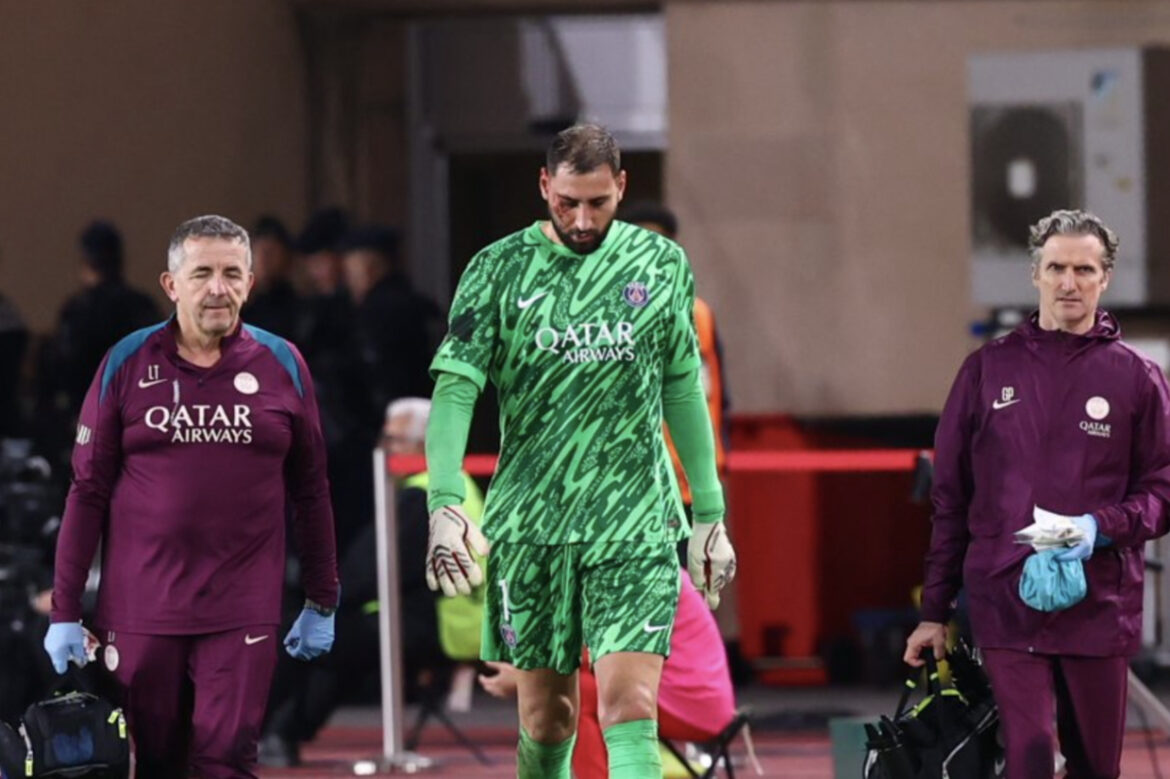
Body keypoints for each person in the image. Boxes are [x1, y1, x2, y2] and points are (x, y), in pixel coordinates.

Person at [424, 123, 736, 779]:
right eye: (568, 202)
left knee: (630, 705)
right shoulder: (497, 269)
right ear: (545, 186)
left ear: (621, 185)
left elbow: (682, 386)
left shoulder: (660, 265)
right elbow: (456, 389)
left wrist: (710, 513)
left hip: (635, 518)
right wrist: (445, 502)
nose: (583, 219)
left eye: (598, 202)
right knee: (547, 719)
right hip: (532, 522)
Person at [44, 215, 340, 779]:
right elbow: (86, 492)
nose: (218, 288)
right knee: (156, 763)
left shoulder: (283, 364)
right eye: (202, 273)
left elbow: (311, 489)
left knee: (226, 759)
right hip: (140, 610)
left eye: (232, 274)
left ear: (250, 283)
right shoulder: (126, 361)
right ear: (171, 284)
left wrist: (322, 599)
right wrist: (65, 611)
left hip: (241, 608)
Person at [903, 209, 1170, 779]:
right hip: (1005, 599)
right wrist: (934, 613)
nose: (1069, 282)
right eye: (1056, 268)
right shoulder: (985, 370)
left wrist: (1101, 527)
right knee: (1028, 755)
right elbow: (950, 499)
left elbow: (1162, 490)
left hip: (1099, 604)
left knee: (1096, 767)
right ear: (1035, 274)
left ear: (1105, 278)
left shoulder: (1137, 378)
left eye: (1084, 269)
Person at [259, 396, 484, 767]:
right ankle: (280, 733)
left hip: (445, 623)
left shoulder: (426, 495)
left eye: (394, 439)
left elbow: (371, 572)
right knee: (337, 634)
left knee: (309, 635)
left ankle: (269, 733)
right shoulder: (451, 484)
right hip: (446, 615)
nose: (384, 448)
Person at [479, 569, 737, 778]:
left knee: (576, 693)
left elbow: (603, 655)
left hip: (693, 705)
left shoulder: (643, 575)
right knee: (577, 687)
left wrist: (526, 677)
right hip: (679, 696)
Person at [41, 220, 160, 417]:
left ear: (86, 262)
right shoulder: (140, 307)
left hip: (86, 415)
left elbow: (63, 366)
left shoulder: (77, 311)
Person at [243, 215, 301, 340]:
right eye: (257, 252)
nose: (263, 259)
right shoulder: (241, 303)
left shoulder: (297, 310)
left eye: (271, 252)